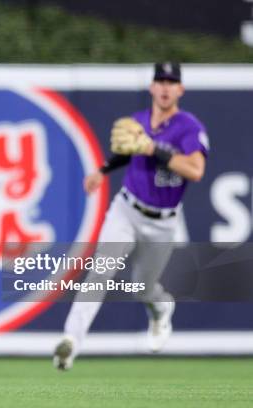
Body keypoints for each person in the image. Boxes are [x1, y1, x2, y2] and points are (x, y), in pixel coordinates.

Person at [53, 62, 209, 370]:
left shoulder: (189, 127)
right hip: (126, 209)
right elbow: (127, 151)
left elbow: (195, 170)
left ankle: (161, 308)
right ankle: (70, 343)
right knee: (100, 270)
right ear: (152, 87)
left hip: (162, 222)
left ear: (180, 89)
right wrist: (102, 170)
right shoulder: (138, 121)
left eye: (171, 82)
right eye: (160, 81)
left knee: (143, 286)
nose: (165, 87)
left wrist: (155, 149)